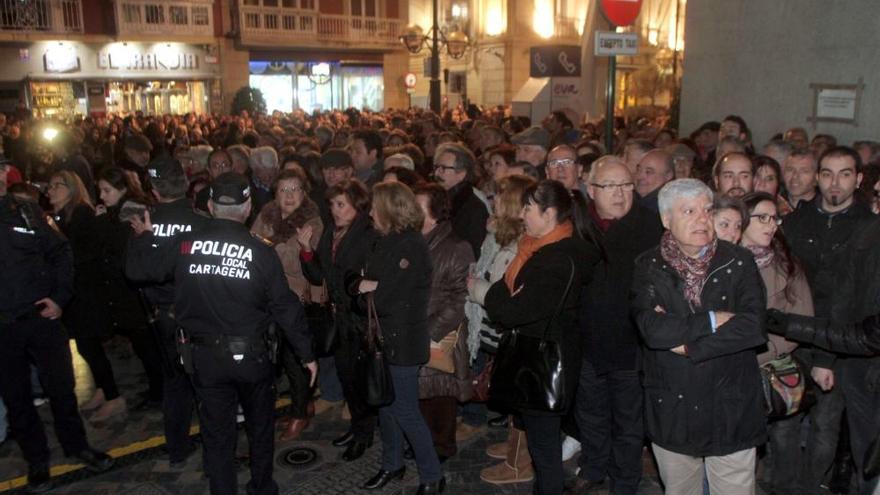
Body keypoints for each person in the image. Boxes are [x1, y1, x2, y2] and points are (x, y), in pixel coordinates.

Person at [126, 172, 317, 495]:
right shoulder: (260, 251)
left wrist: (144, 237)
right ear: (247, 207)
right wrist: (307, 354)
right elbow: (286, 307)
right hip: (252, 358)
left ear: (211, 206)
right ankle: (261, 487)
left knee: (216, 434)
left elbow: (138, 271)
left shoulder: (184, 244)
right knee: (260, 428)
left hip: (204, 358)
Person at [631, 178, 767, 495]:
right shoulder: (648, 265)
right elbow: (652, 328)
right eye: (689, 211)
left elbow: (752, 326)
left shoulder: (738, 261)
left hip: (731, 403)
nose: (701, 220)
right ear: (666, 219)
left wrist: (689, 344)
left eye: (706, 210)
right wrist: (711, 319)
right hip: (673, 403)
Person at [0, 160, 114, 493]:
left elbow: (61, 251)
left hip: (41, 318)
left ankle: (76, 446)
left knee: (62, 388)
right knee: (17, 398)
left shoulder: (26, 211)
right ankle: (37, 460)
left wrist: (60, 297)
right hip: (4, 328)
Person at [483, 180, 599, 495]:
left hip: (544, 364)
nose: (522, 215)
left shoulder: (557, 259)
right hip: (541, 358)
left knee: (544, 449)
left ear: (549, 213)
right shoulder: (540, 248)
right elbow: (511, 298)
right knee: (542, 445)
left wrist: (493, 296)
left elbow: (509, 310)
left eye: (528, 208)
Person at [568, 156, 663, 495]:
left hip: (630, 346)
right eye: (610, 186)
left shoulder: (651, 227)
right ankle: (593, 467)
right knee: (590, 414)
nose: (621, 193)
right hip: (587, 343)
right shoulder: (578, 226)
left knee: (628, 422)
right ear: (591, 190)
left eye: (627, 185)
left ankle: (624, 482)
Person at [783, 146, 873, 494]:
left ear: (859, 178)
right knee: (784, 425)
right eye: (827, 173)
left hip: (841, 344)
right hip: (793, 338)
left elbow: (858, 299)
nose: (835, 182)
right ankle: (784, 486)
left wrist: (829, 356)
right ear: (817, 177)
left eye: (845, 173)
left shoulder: (869, 227)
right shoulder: (794, 223)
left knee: (825, 428)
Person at [348, 181, 445, 494]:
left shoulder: (408, 246)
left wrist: (362, 292)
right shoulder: (388, 241)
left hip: (402, 341)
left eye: (375, 207)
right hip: (385, 338)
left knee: (404, 410)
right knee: (386, 406)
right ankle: (392, 464)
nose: (370, 213)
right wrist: (363, 286)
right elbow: (369, 282)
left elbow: (386, 298)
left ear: (389, 210)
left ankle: (432, 476)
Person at [136, 156, 209, 467]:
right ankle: (214, 453)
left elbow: (133, 270)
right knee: (207, 386)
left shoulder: (144, 223)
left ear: (153, 190)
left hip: (164, 316)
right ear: (186, 184)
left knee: (175, 384)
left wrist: (145, 238)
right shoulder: (201, 220)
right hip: (199, 313)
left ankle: (177, 448)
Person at [738, 191, 813, 495]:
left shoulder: (786, 264)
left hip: (776, 369)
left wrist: (766, 350)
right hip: (734, 372)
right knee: (741, 448)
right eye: (762, 218)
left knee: (783, 439)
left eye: (775, 218)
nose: (772, 225)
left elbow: (803, 319)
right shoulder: (723, 262)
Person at [298, 179, 378, 462]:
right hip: (339, 317)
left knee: (359, 379)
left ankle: (365, 433)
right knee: (346, 377)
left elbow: (363, 278)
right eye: (332, 204)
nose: (334, 210)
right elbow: (319, 276)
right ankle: (357, 427)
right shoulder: (332, 231)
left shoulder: (369, 234)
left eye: (341, 204)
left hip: (359, 318)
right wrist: (307, 250)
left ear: (358, 205)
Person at [465, 174, 537, 485]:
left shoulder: (525, 243)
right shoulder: (499, 235)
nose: (492, 202)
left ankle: (520, 463)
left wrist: (476, 286)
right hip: (494, 326)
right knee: (509, 393)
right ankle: (513, 446)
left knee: (520, 397)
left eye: (499, 198)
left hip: (511, 329)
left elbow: (503, 290)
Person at [47, 171, 128, 422]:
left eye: (55, 186)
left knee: (89, 344)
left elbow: (83, 252)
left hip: (87, 292)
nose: (49, 191)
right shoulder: (64, 215)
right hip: (78, 291)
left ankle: (114, 397)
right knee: (86, 345)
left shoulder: (81, 214)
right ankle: (104, 390)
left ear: (70, 188)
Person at [251, 167, 324, 442]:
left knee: (297, 361)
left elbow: (299, 264)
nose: (289, 195)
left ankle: (299, 414)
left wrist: (270, 250)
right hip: (268, 298)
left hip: (297, 299)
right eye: (283, 190)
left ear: (304, 193)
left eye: (295, 189)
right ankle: (303, 403)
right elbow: (251, 246)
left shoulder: (312, 222)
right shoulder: (266, 216)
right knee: (279, 357)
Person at [94, 167, 166, 412]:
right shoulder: (117, 211)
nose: (102, 196)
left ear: (122, 189)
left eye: (107, 190)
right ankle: (157, 387)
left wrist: (103, 222)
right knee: (143, 344)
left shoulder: (129, 211)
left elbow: (122, 248)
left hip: (135, 292)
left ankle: (160, 390)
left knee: (146, 344)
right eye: (100, 190)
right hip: (128, 290)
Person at [413, 183, 475, 462]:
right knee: (418, 395)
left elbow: (460, 299)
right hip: (412, 331)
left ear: (435, 213)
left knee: (439, 397)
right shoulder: (410, 242)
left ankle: (441, 448)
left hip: (439, 335)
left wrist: (429, 331)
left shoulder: (456, 247)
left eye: (417, 206)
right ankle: (422, 443)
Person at [432, 142, 489, 259]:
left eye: (443, 168)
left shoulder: (474, 207)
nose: (437, 173)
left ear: (462, 174)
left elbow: (472, 251)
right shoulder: (440, 198)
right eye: (436, 167)